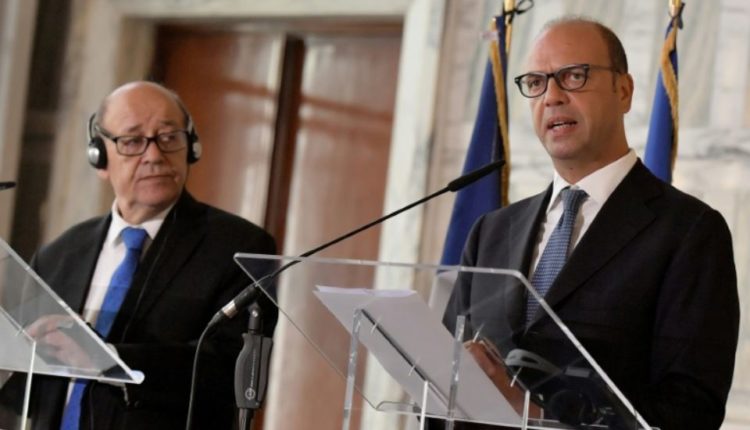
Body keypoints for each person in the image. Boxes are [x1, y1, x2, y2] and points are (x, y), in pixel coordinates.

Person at [441, 17, 739, 430]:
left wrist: (537, 417)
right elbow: (441, 380)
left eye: (574, 76)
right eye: (536, 83)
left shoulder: (689, 232)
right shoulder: (491, 231)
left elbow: (690, 411)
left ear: (624, 91)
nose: (552, 97)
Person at [21, 81, 277, 429]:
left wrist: (110, 360)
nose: (154, 156)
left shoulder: (240, 247)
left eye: (169, 137)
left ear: (191, 147)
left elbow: (230, 370)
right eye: (132, 141)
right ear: (99, 156)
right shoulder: (58, 255)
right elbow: (26, 389)